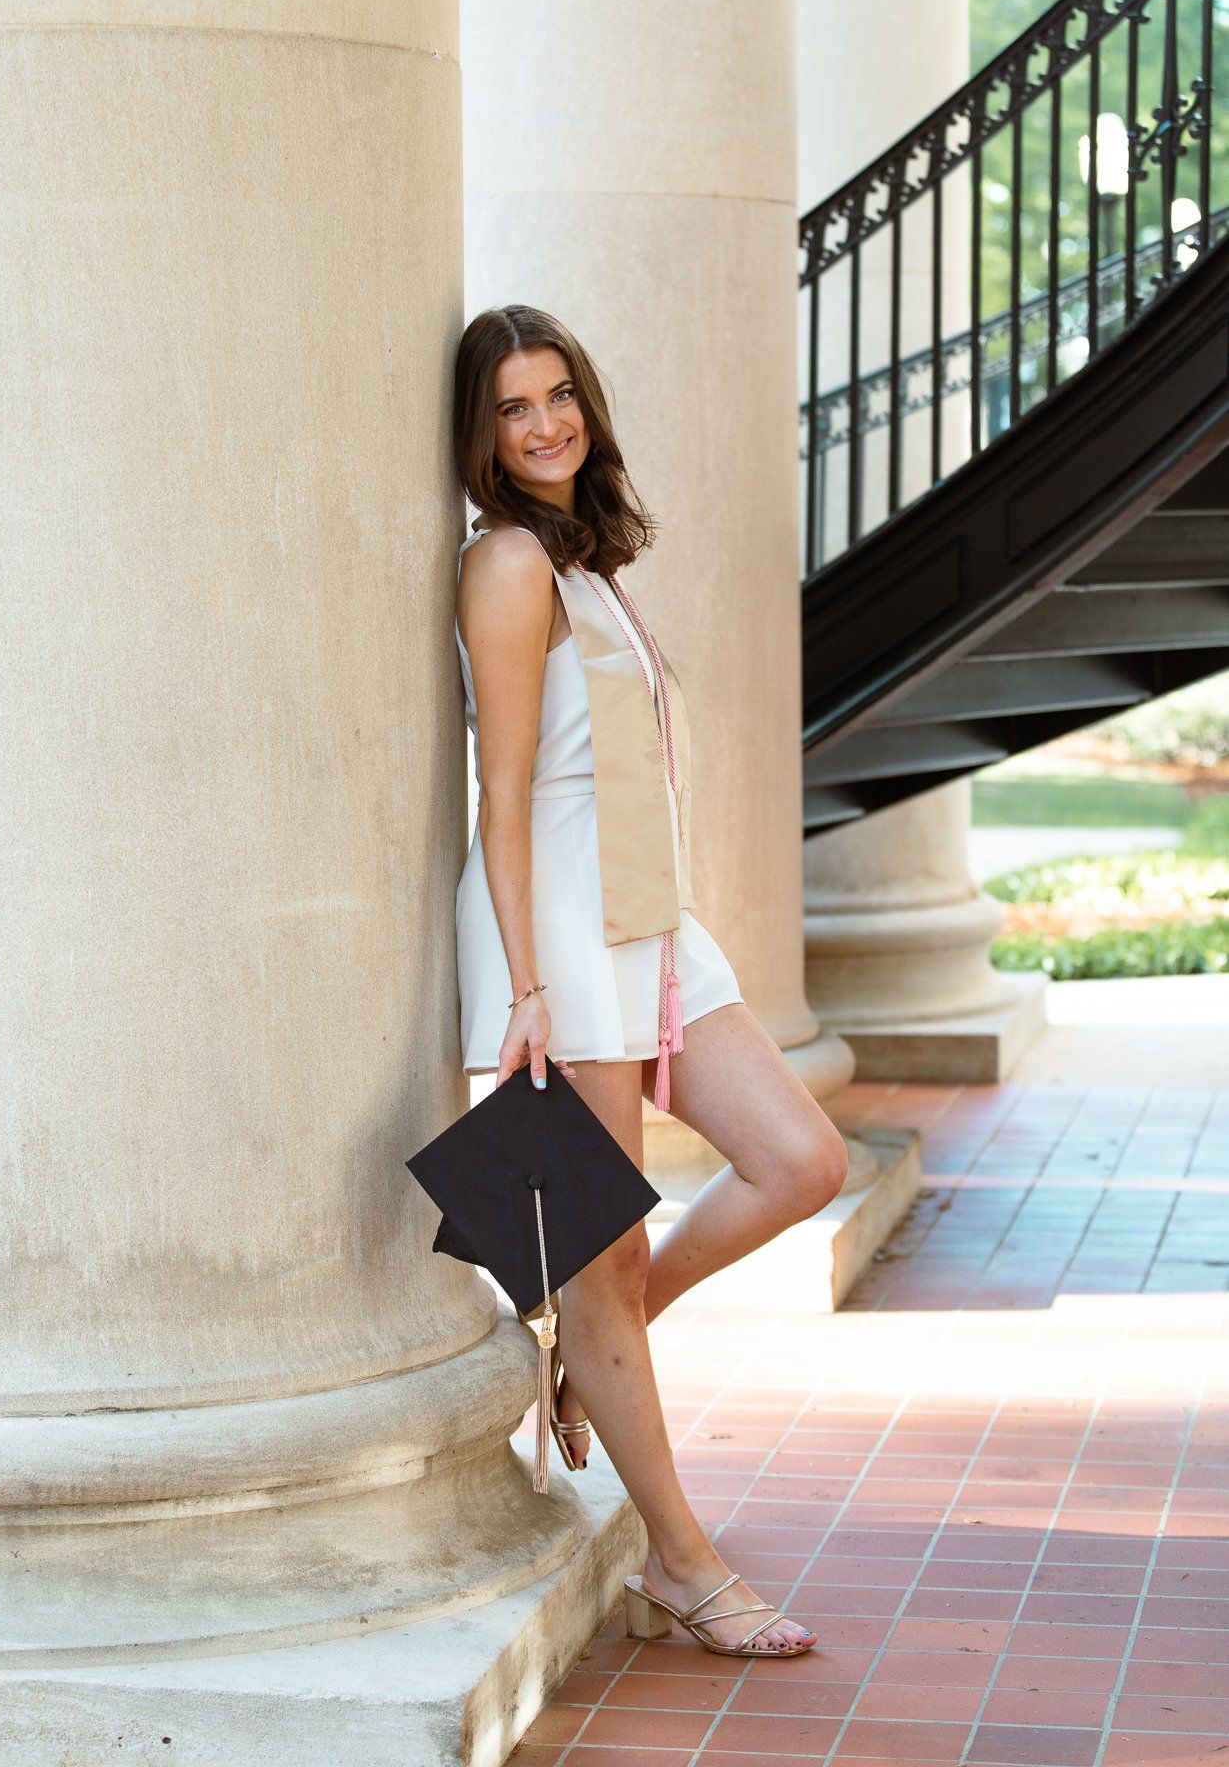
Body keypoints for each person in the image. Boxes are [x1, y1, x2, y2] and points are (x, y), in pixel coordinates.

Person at [450, 304, 848, 1659]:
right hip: (559, 939)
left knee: (799, 1159)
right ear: (480, 433)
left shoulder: (584, 560)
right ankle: (680, 1562)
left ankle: (591, 1347)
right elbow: (500, 791)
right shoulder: (505, 564)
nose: (545, 422)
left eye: (558, 394)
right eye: (513, 406)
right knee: (595, 1255)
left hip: (651, 926)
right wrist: (518, 985)